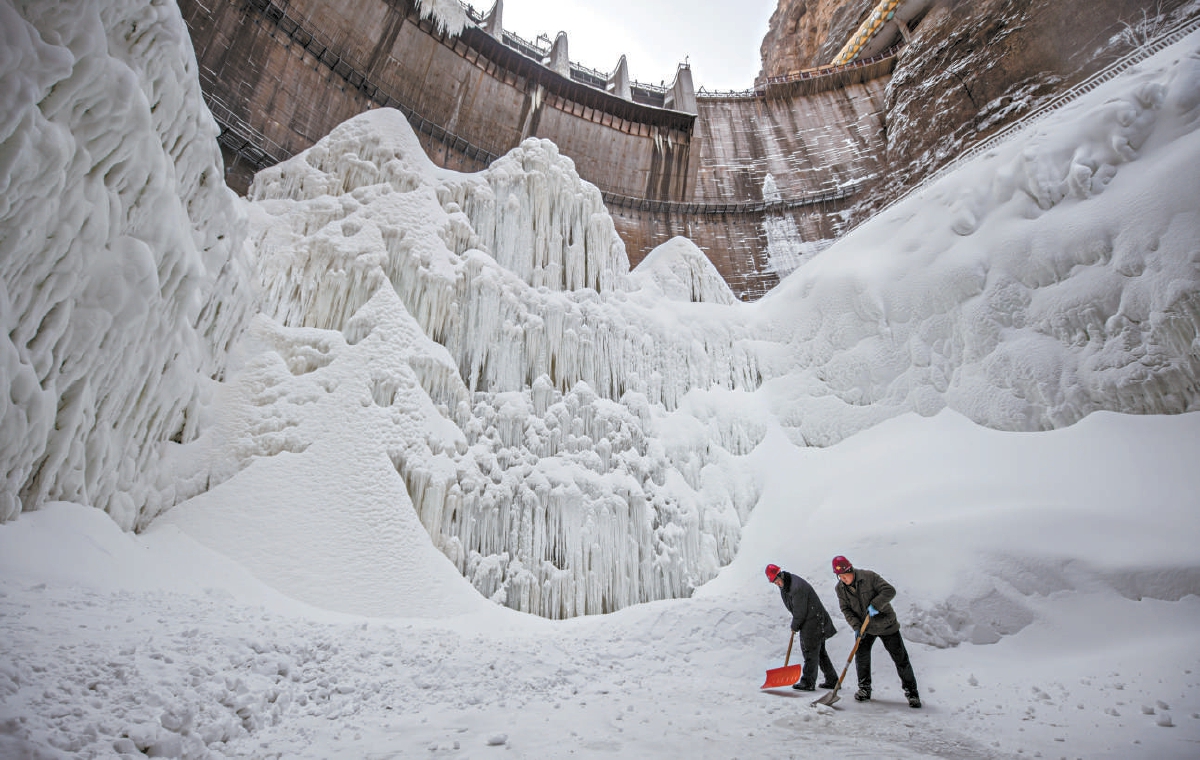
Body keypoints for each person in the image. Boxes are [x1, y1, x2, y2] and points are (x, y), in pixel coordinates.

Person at [831, 555, 921, 708]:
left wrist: (876, 605)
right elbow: (845, 609)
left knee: (901, 659)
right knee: (861, 657)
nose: (843, 579)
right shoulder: (840, 589)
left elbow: (889, 591)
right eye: (840, 577)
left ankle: (912, 693)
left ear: (851, 570)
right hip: (865, 628)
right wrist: (856, 626)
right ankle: (864, 689)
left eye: (845, 576)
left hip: (886, 624)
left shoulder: (869, 577)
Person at [765, 563, 839, 691]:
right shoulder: (786, 585)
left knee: (810, 651)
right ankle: (832, 680)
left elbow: (800, 611)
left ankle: (808, 682)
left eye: (776, 580)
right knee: (820, 652)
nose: (776, 583)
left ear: (780, 575)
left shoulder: (796, 587)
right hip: (811, 619)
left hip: (813, 621)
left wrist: (795, 625)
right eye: (774, 582)